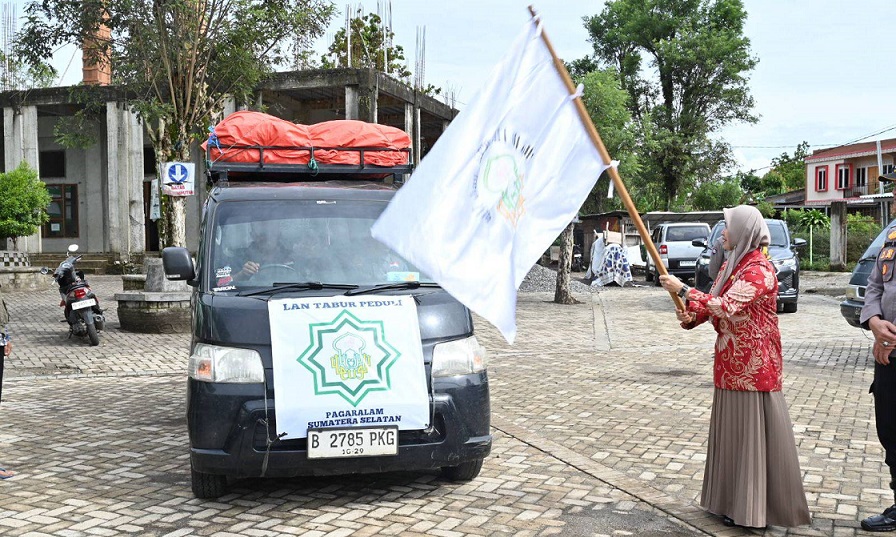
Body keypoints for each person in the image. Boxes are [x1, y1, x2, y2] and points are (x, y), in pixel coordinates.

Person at [659, 205, 810, 529]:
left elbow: (727, 305)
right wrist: (690, 314)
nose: (723, 234)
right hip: (729, 364)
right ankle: (730, 502)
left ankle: (753, 510)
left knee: (750, 439)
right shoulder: (732, 266)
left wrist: (682, 288)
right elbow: (711, 304)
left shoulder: (759, 270)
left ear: (743, 232)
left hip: (755, 368)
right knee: (732, 437)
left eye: (728, 227)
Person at [859, 171, 896, 532]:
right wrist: (874, 323)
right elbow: (875, 286)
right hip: (889, 354)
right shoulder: (892, 236)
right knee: (890, 429)